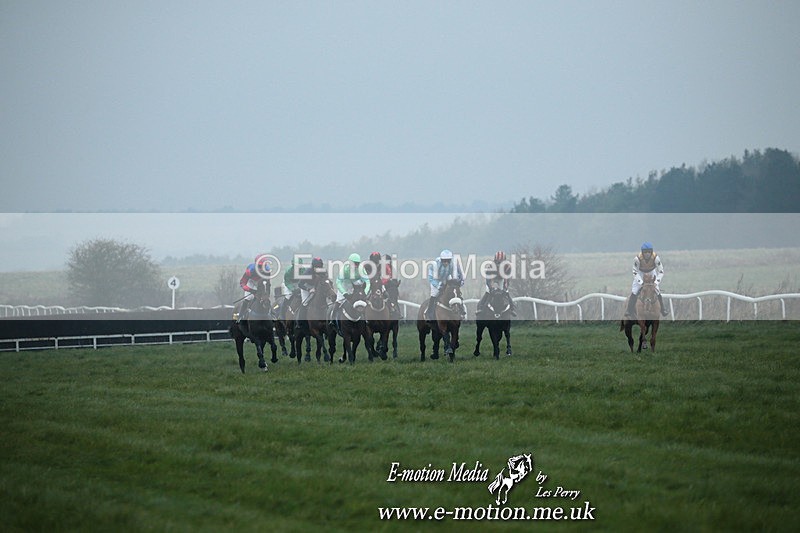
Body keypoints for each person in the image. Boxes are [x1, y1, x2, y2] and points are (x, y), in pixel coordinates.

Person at [626, 242, 668, 317]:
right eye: (645, 252)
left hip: (652, 272)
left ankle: (663, 309)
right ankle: (629, 310)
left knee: (657, 291)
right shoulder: (637, 259)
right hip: (640, 273)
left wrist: (656, 282)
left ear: (651, 252)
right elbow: (635, 272)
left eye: (649, 252)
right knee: (635, 291)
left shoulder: (656, 258)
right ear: (642, 252)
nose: (647, 254)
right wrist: (641, 283)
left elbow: (661, 271)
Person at [425, 249, 465, 321]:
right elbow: (431, 278)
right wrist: (438, 285)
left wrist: (460, 281)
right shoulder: (435, 265)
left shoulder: (453, 263)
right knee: (434, 294)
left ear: (450, 260)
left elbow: (460, 273)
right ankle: (429, 313)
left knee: (456, 293)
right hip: (436, 280)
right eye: (444, 261)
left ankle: (462, 311)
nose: (446, 263)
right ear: (441, 260)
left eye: (448, 261)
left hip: (447, 278)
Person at [477, 251, 517, 316]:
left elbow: (507, 279)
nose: (499, 264)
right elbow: (488, 279)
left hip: (502, 279)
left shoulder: (508, 267)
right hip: (492, 279)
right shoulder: (491, 266)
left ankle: (512, 308)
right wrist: (491, 288)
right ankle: (481, 307)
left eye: (501, 262)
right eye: (498, 262)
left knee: (506, 293)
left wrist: (505, 288)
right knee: (488, 293)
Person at [235, 254, 272, 321]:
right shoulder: (250, 270)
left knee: (265, 298)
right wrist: (250, 290)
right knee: (248, 298)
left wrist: (266, 292)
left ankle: (272, 314)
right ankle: (240, 316)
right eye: (259, 266)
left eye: (263, 266)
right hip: (251, 282)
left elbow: (267, 283)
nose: (261, 269)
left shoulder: (268, 270)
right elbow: (242, 282)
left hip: (261, 284)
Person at [297, 256, 328, 321]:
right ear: (313, 267)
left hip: (315, 286)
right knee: (305, 303)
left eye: (320, 267)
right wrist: (309, 289)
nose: (319, 269)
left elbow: (325, 280)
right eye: (317, 267)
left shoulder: (323, 271)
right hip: (306, 287)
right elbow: (300, 284)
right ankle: (299, 322)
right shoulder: (307, 273)